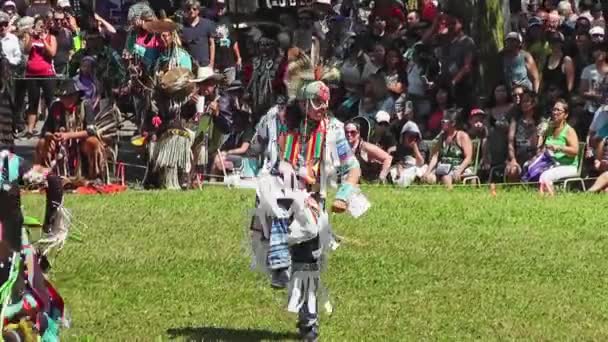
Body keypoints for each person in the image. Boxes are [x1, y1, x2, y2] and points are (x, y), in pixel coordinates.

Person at [249, 48, 362, 341]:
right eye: (315, 104)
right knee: (277, 206)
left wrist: (344, 195)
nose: (321, 110)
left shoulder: (334, 130)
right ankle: (278, 262)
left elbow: (352, 167)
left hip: (311, 204)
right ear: (301, 101)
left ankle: (308, 325)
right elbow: (256, 148)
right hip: (277, 200)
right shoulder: (275, 120)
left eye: (325, 104)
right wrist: (264, 176)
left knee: (308, 263)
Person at [35, 80, 106, 180]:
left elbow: (91, 131)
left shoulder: (85, 105)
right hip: (60, 144)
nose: (67, 100)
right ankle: (42, 174)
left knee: (93, 142)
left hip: (81, 142)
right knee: (42, 143)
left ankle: (94, 175)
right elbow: (45, 131)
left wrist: (69, 135)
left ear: (77, 95)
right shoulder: (56, 106)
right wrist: (51, 136)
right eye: (64, 97)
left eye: (70, 97)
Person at [22, 15, 57, 138]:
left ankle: (52, 127)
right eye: (39, 25)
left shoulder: (51, 37)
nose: (41, 28)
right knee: (33, 101)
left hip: (47, 73)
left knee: (50, 101)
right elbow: (26, 50)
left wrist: (43, 40)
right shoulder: (29, 36)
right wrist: (32, 37)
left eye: (43, 25)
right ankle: (30, 130)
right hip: (31, 74)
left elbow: (52, 53)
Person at [423, 108, 474, 188]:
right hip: (443, 169)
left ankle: (451, 196)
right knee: (428, 178)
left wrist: (459, 171)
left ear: (453, 123)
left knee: (446, 178)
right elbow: (435, 156)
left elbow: (468, 158)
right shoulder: (442, 136)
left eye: (444, 121)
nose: (441, 123)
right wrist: (427, 171)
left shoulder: (462, 136)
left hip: (459, 168)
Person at [538, 98, 580, 195]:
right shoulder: (549, 128)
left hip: (568, 166)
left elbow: (575, 151)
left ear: (566, 115)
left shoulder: (569, 131)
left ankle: (550, 199)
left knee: (545, 176)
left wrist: (559, 147)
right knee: (529, 167)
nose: (555, 112)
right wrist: (540, 134)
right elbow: (539, 146)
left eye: (558, 110)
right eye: (554, 109)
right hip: (551, 163)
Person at [505, 90, 542, 182]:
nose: (523, 104)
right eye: (522, 102)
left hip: (534, 155)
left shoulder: (540, 122)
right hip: (518, 156)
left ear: (533, 103)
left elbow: (542, 143)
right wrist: (513, 159)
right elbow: (510, 142)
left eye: (526, 101)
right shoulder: (516, 120)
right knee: (513, 170)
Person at [390, 121, 427, 187]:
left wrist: (415, 148)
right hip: (404, 168)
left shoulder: (421, 144)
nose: (412, 138)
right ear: (404, 136)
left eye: (414, 136)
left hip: (416, 167)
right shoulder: (400, 146)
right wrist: (399, 171)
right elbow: (399, 162)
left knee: (419, 170)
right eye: (410, 136)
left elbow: (420, 163)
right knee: (393, 171)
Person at [181, 0, 216, 68]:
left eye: (194, 9)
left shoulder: (207, 24)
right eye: (189, 8)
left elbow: (212, 44)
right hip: (189, 65)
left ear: (198, 10)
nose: (191, 11)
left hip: (205, 64)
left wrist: (211, 63)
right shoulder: (182, 27)